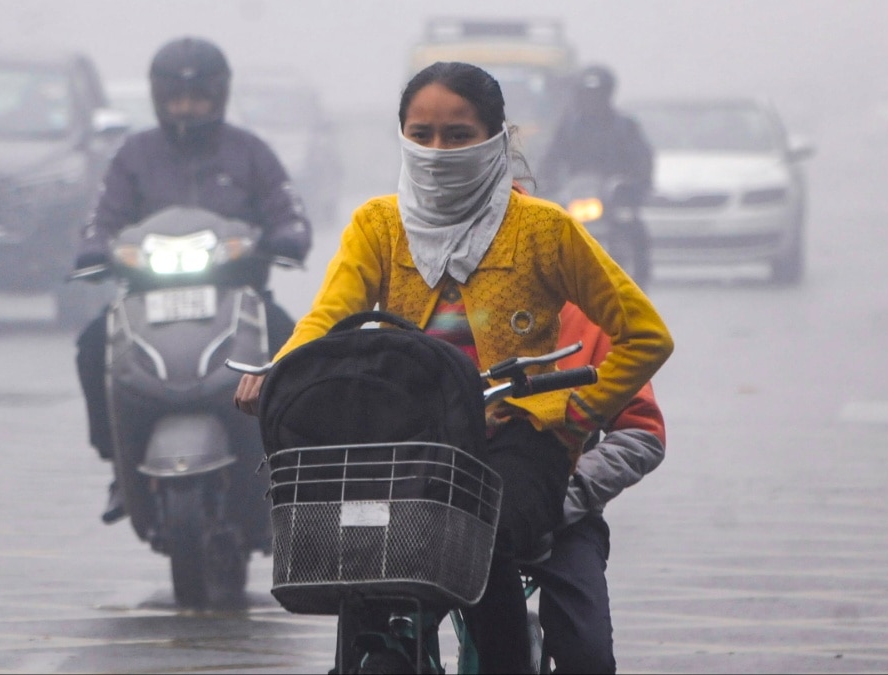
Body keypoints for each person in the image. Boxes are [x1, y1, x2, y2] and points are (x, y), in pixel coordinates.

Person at [234, 61, 673, 673]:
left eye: (458, 135)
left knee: (479, 540)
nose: (437, 151)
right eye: (422, 134)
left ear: (497, 138)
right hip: (408, 443)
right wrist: (280, 370)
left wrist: (565, 413)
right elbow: (326, 321)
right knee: (362, 558)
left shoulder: (546, 230)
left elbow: (646, 335)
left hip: (515, 447)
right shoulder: (377, 225)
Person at [74, 36, 311, 524]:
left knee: (294, 349)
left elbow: (289, 214)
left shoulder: (251, 153)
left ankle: (292, 466)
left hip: (239, 298)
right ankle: (118, 461)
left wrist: (284, 238)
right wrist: (96, 247)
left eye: (198, 98)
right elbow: (101, 218)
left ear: (219, 95)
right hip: (145, 300)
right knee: (92, 343)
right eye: (177, 98)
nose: (187, 109)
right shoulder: (133, 156)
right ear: (159, 97)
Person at [523, 302, 666, 674]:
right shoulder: (434, 303)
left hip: (561, 516)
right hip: (452, 511)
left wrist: (569, 492)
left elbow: (642, 433)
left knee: (588, 657)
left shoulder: (590, 320)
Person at [537, 64, 654, 205]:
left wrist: (633, 184)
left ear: (607, 95)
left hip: (614, 199)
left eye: (598, 94)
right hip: (574, 196)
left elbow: (642, 160)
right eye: (587, 94)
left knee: (630, 224)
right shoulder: (569, 127)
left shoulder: (625, 127)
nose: (592, 100)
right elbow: (552, 157)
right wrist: (546, 181)